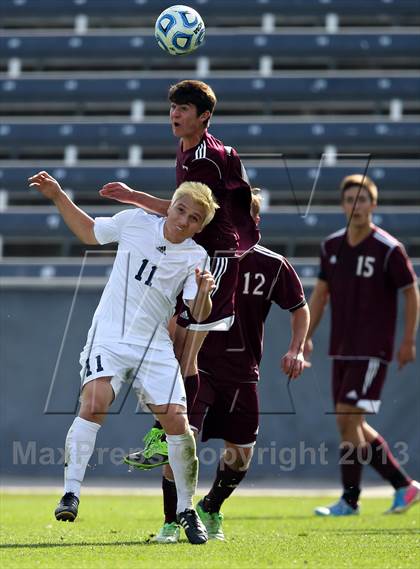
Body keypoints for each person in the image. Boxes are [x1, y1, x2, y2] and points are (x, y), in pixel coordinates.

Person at [28, 170, 220, 544]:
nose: (183, 220)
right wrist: (57, 196)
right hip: (111, 336)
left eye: (193, 218)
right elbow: (88, 232)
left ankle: (185, 510)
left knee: (177, 422)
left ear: (199, 227)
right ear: (170, 207)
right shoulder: (135, 221)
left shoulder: (197, 256)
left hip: (153, 345)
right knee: (95, 402)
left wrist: (205, 293)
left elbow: (199, 311)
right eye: (180, 210)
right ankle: (71, 493)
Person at [127, 191, 310, 542]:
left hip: (243, 374)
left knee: (240, 456)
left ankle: (211, 506)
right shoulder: (199, 257)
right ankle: (170, 521)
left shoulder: (273, 265)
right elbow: (172, 306)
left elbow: (299, 307)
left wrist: (297, 348)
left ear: (256, 222)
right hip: (199, 367)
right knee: (181, 442)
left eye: (244, 216)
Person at [100, 79, 260, 459]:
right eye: (173, 106)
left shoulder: (204, 158)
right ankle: (171, 431)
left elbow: (187, 213)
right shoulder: (192, 148)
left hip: (215, 259)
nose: (175, 113)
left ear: (204, 117)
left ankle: (169, 434)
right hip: (198, 255)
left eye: (184, 109)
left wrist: (132, 196)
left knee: (186, 350)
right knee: (176, 342)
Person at [303, 174, 419, 516]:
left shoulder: (388, 248)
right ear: (343, 205)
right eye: (351, 199)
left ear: (374, 205)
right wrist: (304, 335)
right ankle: (404, 485)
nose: (357, 206)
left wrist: (408, 339)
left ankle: (350, 500)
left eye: (363, 199)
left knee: (348, 418)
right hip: (341, 347)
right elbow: (320, 295)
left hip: (372, 349)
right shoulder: (331, 246)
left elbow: (411, 293)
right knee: (348, 423)